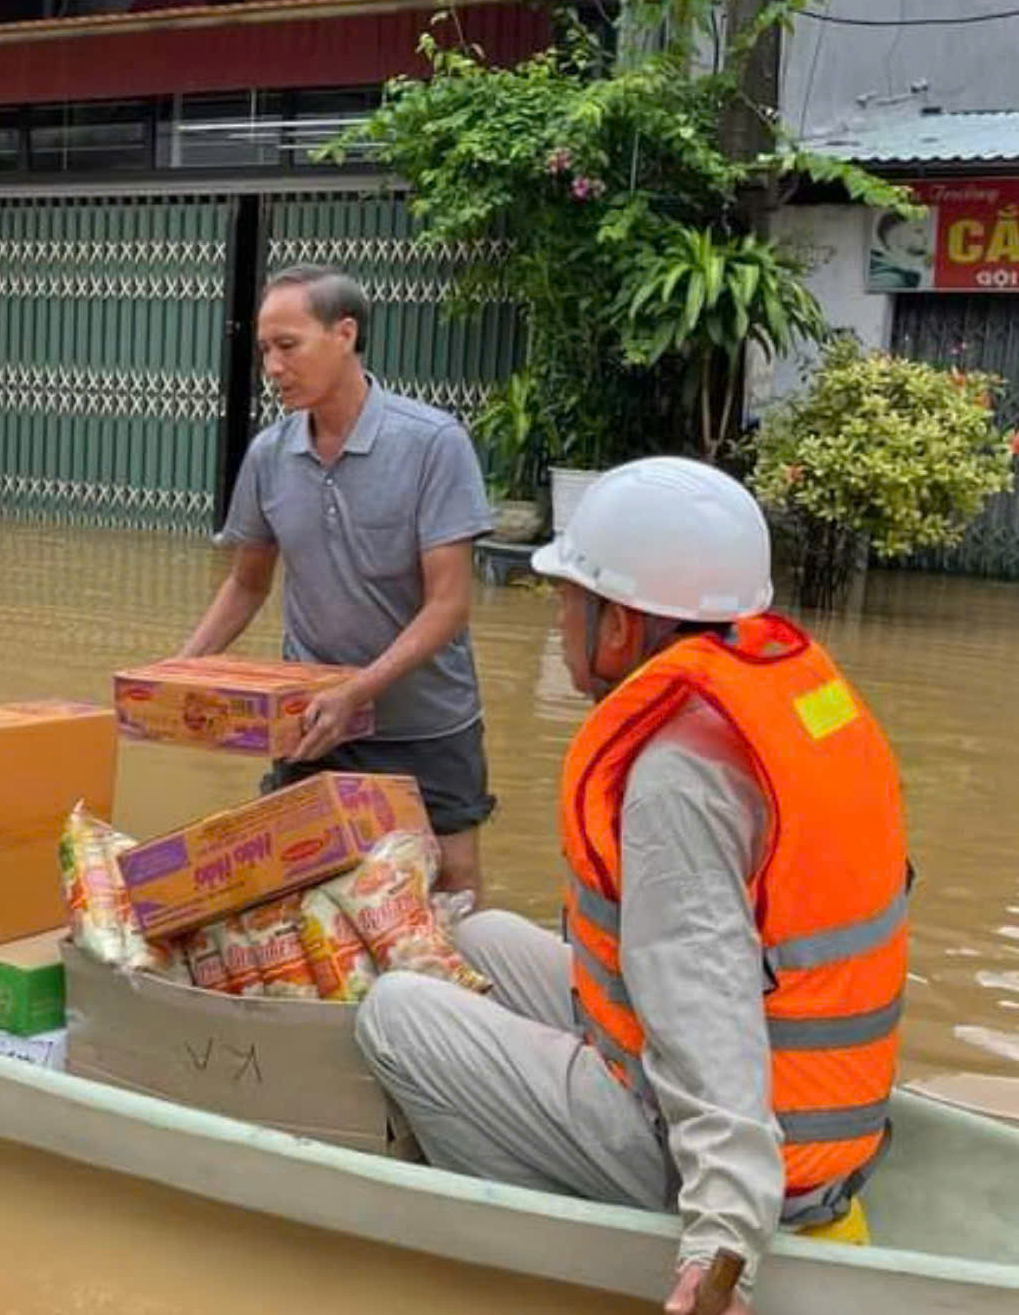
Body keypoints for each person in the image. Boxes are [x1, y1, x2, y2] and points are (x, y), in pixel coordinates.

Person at [354, 457, 909, 1314]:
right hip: (810, 1105)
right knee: (476, 937)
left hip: (736, 1151)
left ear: (620, 627)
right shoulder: (781, 700)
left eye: (570, 600)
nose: (560, 620)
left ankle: (539, 1226)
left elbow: (703, 1003)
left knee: (395, 1010)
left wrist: (723, 1235)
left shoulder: (675, 775)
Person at [179, 264, 496, 900]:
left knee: (450, 882)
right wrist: (180, 670)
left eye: (288, 345)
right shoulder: (269, 454)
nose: (271, 366)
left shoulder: (434, 444)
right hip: (311, 721)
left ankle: (441, 1001)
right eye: (265, 349)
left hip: (425, 722)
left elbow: (449, 605)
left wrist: (357, 690)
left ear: (345, 333)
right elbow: (247, 584)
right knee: (300, 886)